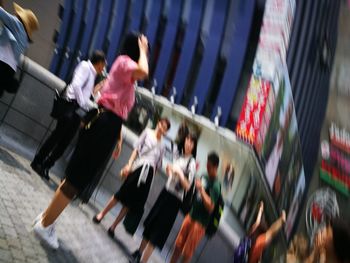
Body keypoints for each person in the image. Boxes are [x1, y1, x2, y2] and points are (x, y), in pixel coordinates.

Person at [32, 32, 149, 249]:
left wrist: (119, 138)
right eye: (142, 48)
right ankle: (46, 224)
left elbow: (118, 107)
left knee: (75, 175)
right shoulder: (125, 63)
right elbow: (144, 71)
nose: (146, 52)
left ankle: (47, 218)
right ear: (136, 49)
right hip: (104, 125)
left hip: (107, 124)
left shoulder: (124, 70)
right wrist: (144, 49)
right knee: (77, 178)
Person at [30, 50, 106, 180]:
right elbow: (76, 85)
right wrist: (83, 102)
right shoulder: (85, 66)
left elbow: (85, 93)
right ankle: (37, 162)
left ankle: (46, 165)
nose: (104, 68)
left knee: (64, 142)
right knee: (57, 136)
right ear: (99, 63)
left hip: (76, 111)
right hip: (70, 106)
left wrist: (91, 99)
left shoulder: (93, 74)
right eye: (104, 65)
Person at [92, 118, 171, 237]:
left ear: (166, 131)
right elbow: (136, 149)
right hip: (138, 167)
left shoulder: (163, 146)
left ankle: (113, 226)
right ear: (158, 123)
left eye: (165, 128)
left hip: (148, 175)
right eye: (161, 124)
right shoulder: (147, 132)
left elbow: (157, 165)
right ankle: (101, 214)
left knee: (130, 203)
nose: (162, 128)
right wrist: (129, 164)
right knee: (121, 194)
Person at [132, 133, 198, 263]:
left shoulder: (191, 163)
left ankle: (142, 261)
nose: (188, 143)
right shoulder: (180, 157)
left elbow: (187, 186)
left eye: (192, 142)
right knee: (151, 223)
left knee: (158, 232)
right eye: (187, 140)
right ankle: (138, 253)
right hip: (165, 193)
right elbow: (171, 175)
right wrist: (170, 171)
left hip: (174, 200)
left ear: (194, 146)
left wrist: (178, 173)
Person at [169, 152, 221, 263]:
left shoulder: (216, 186)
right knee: (178, 245)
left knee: (187, 252)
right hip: (191, 215)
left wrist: (201, 189)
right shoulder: (204, 176)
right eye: (207, 164)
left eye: (210, 166)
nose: (207, 167)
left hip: (200, 223)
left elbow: (211, 207)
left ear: (216, 167)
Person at [0, 2, 39, 96]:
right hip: (9, 71)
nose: (15, 14)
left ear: (21, 18)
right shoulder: (25, 40)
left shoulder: (16, 23)